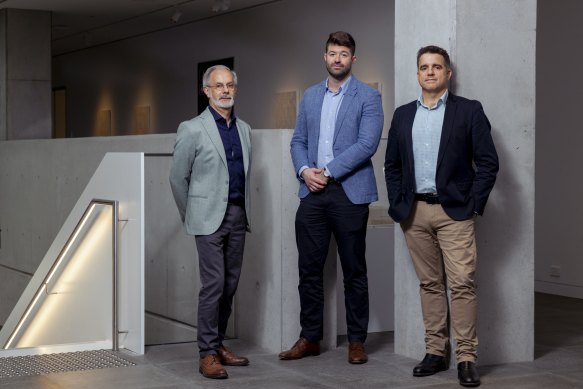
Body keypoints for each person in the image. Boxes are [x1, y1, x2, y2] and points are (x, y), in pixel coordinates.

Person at [384, 45, 499, 387]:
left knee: (462, 284)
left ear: (448, 73)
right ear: (417, 73)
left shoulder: (469, 111)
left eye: (436, 66)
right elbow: (392, 165)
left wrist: (474, 205)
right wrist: (398, 202)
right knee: (430, 284)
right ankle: (436, 352)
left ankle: (466, 358)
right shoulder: (403, 115)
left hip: (455, 213)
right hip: (414, 212)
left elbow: (488, 163)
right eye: (424, 67)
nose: (430, 72)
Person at [280, 31, 384, 365]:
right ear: (324, 57)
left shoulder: (368, 97)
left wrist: (328, 171)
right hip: (311, 192)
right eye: (332, 53)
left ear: (353, 59)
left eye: (343, 54)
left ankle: (356, 341)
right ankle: (310, 337)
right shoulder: (310, 96)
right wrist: (304, 171)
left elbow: (367, 144)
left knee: (354, 270)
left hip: (349, 193)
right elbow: (298, 140)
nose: (337, 59)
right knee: (309, 269)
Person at [169, 65, 251, 380]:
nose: (225, 90)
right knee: (214, 285)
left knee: (230, 286)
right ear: (207, 91)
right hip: (207, 220)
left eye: (230, 85)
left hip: (237, 215)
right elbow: (178, 178)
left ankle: (217, 345)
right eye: (218, 86)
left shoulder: (243, 129)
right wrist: (191, 214)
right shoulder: (191, 128)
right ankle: (206, 353)